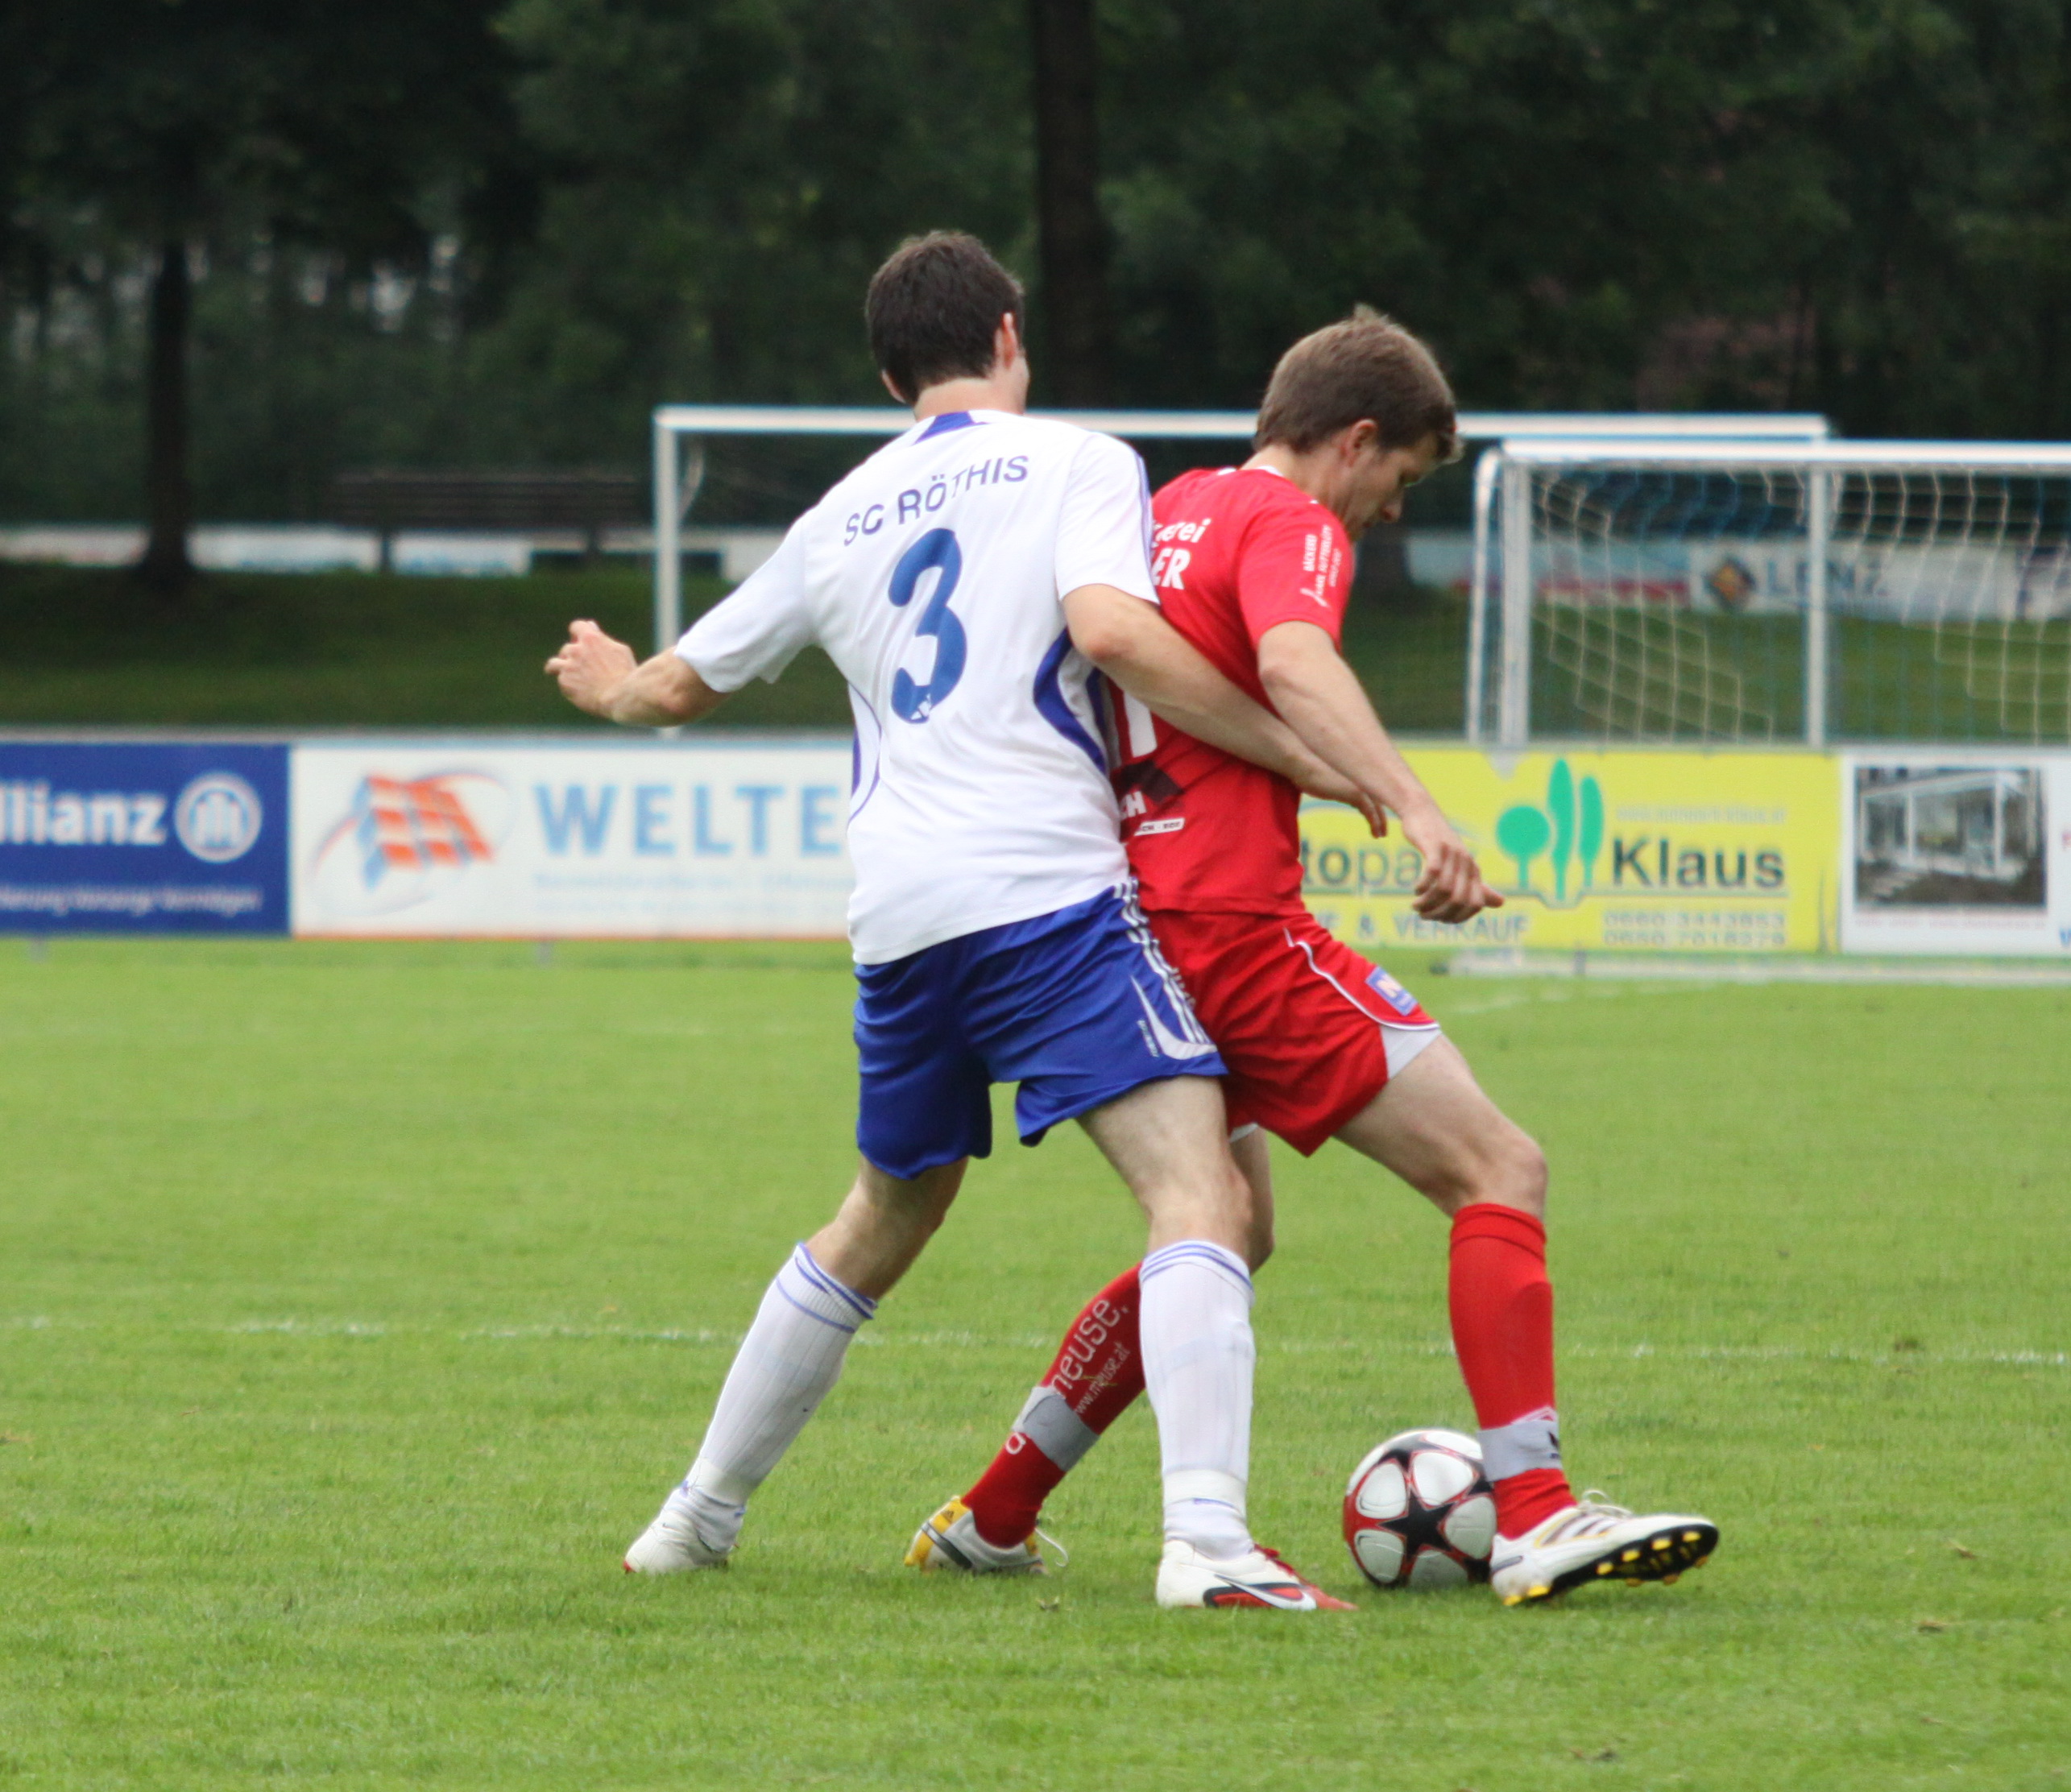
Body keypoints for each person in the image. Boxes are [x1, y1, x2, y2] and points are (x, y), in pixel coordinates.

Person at [549, 233, 1382, 1610]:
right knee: (1206, 1196)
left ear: (892, 378)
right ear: (1008, 334)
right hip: (1042, 887)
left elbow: (679, 689)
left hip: (898, 915)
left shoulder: (837, 516)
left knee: (883, 1210)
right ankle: (1208, 1542)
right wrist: (1303, 754)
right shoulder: (1080, 460)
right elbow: (1113, 632)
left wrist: (611, 680)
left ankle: (693, 1518)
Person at [905, 311, 1719, 1606]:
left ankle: (992, 1511)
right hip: (1234, 926)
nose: (1388, 512)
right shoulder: (1292, 520)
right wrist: (1420, 808)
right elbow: (1294, 656)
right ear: (1354, 438)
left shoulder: (1168, 508)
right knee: (1500, 1166)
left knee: (1223, 1227)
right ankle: (1537, 1515)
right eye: (1399, 478)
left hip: (1131, 923)